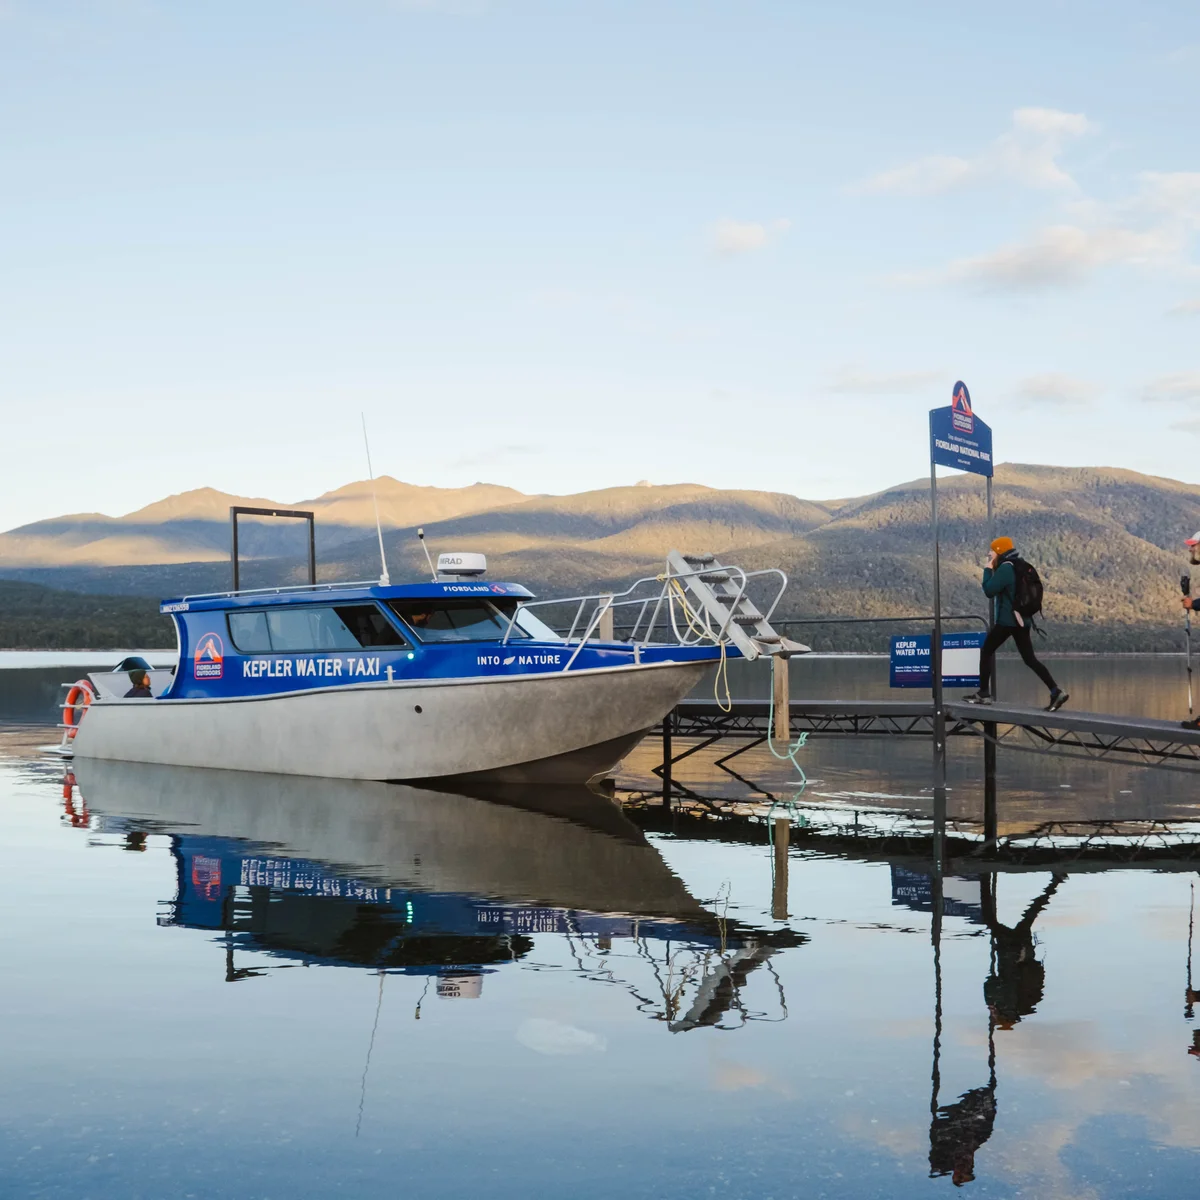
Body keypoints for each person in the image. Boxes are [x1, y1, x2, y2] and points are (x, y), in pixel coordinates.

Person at [963, 537, 1068, 712]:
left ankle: (983, 694)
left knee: (987, 651)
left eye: (992, 551)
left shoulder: (1006, 568)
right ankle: (1055, 691)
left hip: (1008, 621)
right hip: (1022, 620)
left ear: (999, 551)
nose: (990, 553)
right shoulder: (1020, 565)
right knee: (1029, 659)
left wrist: (988, 569)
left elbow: (989, 590)